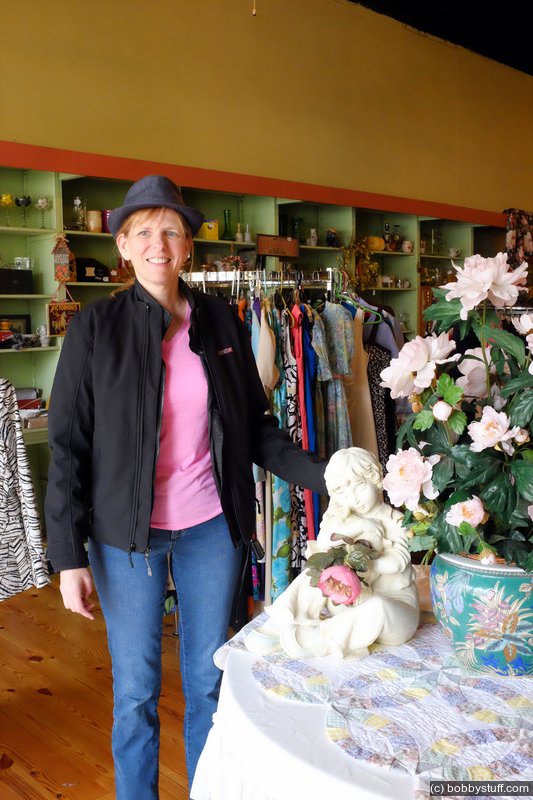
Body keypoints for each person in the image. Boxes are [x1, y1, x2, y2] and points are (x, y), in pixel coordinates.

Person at [44, 175, 329, 799]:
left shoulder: (220, 320)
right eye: (143, 232)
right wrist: (68, 558)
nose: (158, 244)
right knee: (136, 691)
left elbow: (254, 428)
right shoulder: (95, 329)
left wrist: (324, 473)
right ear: (122, 246)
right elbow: (68, 447)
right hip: (127, 539)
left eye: (171, 230)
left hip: (210, 529)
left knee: (208, 680)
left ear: (189, 245)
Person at [245, 447, 419, 659]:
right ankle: (281, 622)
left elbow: (397, 562)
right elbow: (324, 542)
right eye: (344, 493)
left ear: (375, 480)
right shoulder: (341, 516)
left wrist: (357, 563)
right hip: (351, 602)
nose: (354, 499)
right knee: (318, 571)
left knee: (378, 607)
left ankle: (321, 640)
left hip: (394, 611)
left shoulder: (394, 519)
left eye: (359, 486)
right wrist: (357, 526)